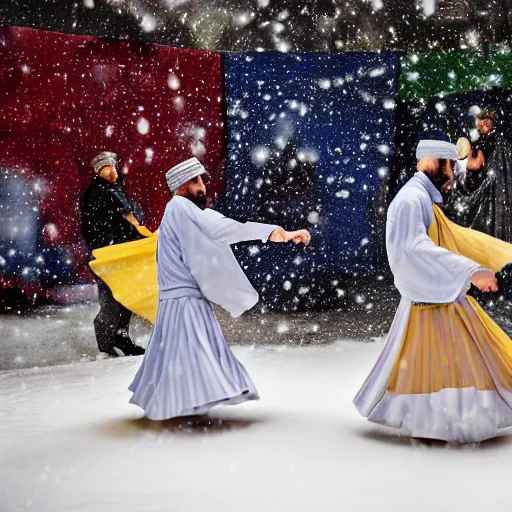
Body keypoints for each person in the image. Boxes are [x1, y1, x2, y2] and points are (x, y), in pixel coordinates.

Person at [92, 157, 311, 419]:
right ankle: (186, 405)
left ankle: (179, 405)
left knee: (179, 355)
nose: (202, 187)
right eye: (195, 181)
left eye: (202, 181)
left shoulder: (180, 210)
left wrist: (272, 232)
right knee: (194, 353)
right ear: (180, 186)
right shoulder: (181, 208)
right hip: (184, 301)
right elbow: (221, 227)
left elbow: (215, 228)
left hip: (182, 299)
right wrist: (276, 232)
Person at [354, 139, 512, 443]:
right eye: (450, 166)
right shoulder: (411, 201)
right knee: (453, 362)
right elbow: (415, 248)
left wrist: (468, 166)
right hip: (430, 299)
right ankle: (448, 423)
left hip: (437, 295)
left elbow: (451, 174)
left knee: (455, 361)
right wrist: (471, 270)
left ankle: (449, 421)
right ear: (433, 163)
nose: (453, 174)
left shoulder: (421, 194)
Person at [81, 151, 146, 358]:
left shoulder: (111, 190)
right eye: (109, 167)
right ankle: (107, 344)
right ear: (101, 170)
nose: (114, 170)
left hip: (117, 252)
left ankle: (120, 338)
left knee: (123, 296)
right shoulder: (100, 192)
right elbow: (120, 219)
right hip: (109, 254)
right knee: (112, 298)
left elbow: (127, 219)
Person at [447, 107, 512, 242]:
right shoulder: (496, 141)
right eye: (480, 125)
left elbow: (476, 164)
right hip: (499, 191)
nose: (483, 127)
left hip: (493, 190)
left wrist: (468, 153)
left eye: (486, 124)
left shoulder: (491, 143)